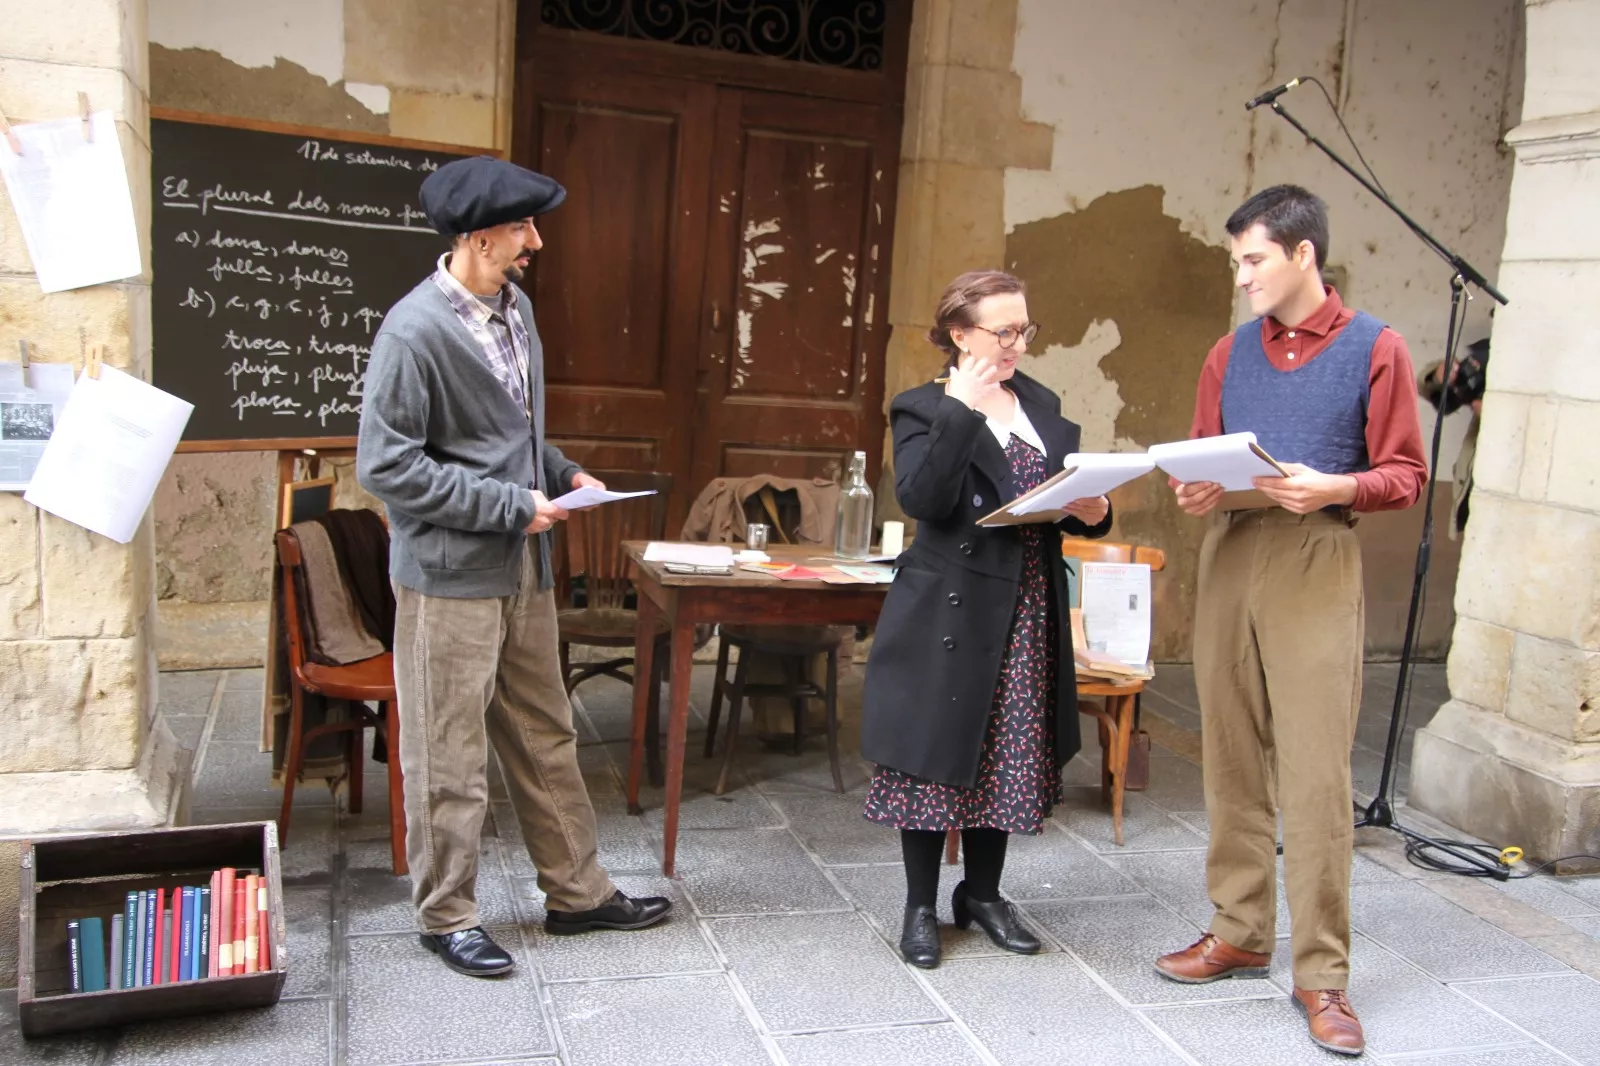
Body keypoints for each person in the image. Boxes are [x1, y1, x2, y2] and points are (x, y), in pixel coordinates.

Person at [356, 156, 670, 978]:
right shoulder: (413, 332)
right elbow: (386, 467)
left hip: (524, 568)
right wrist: (506, 505)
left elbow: (513, 436)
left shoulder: (515, 307)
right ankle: (446, 916)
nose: (536, 242)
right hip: (448, 576)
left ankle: (578, 892)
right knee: (448, 754)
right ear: (476, 234)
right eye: (523, 227)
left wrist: (564, 473)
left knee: (545, 734)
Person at [1155, 185, 1426, 1056]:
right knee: (1230, 751)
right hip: (1231, 552)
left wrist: (1337, 486)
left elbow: (1405, 474)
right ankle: (1239, 929)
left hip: (1317, 558)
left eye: (1254, 260)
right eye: (1238, 262)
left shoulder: (1378, 348)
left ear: (1303, 255)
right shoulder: (1226, 355)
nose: (1242, 279)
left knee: (1313, 774)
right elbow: (1200, 458)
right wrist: (1194, 491)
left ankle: (1323, 976)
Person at [859, 269, 1113, 969]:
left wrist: (1093, 508)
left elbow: (1062, 488)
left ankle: (982, 894)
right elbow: (923, 498)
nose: (1017, 345)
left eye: (1023, 329)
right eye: (1003, 331)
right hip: (951, 601)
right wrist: (961, 409)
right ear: (959, 334)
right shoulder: (921, 406)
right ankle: (918, 907)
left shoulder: (1039, 401)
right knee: (933, 757)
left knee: (1006, 753)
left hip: (1026, 602)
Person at [1418, 336, 1489, 538]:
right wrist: (1439, 376)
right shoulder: (1486, 357)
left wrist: (1496, 416)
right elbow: (1441, 398)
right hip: (1471, 489)